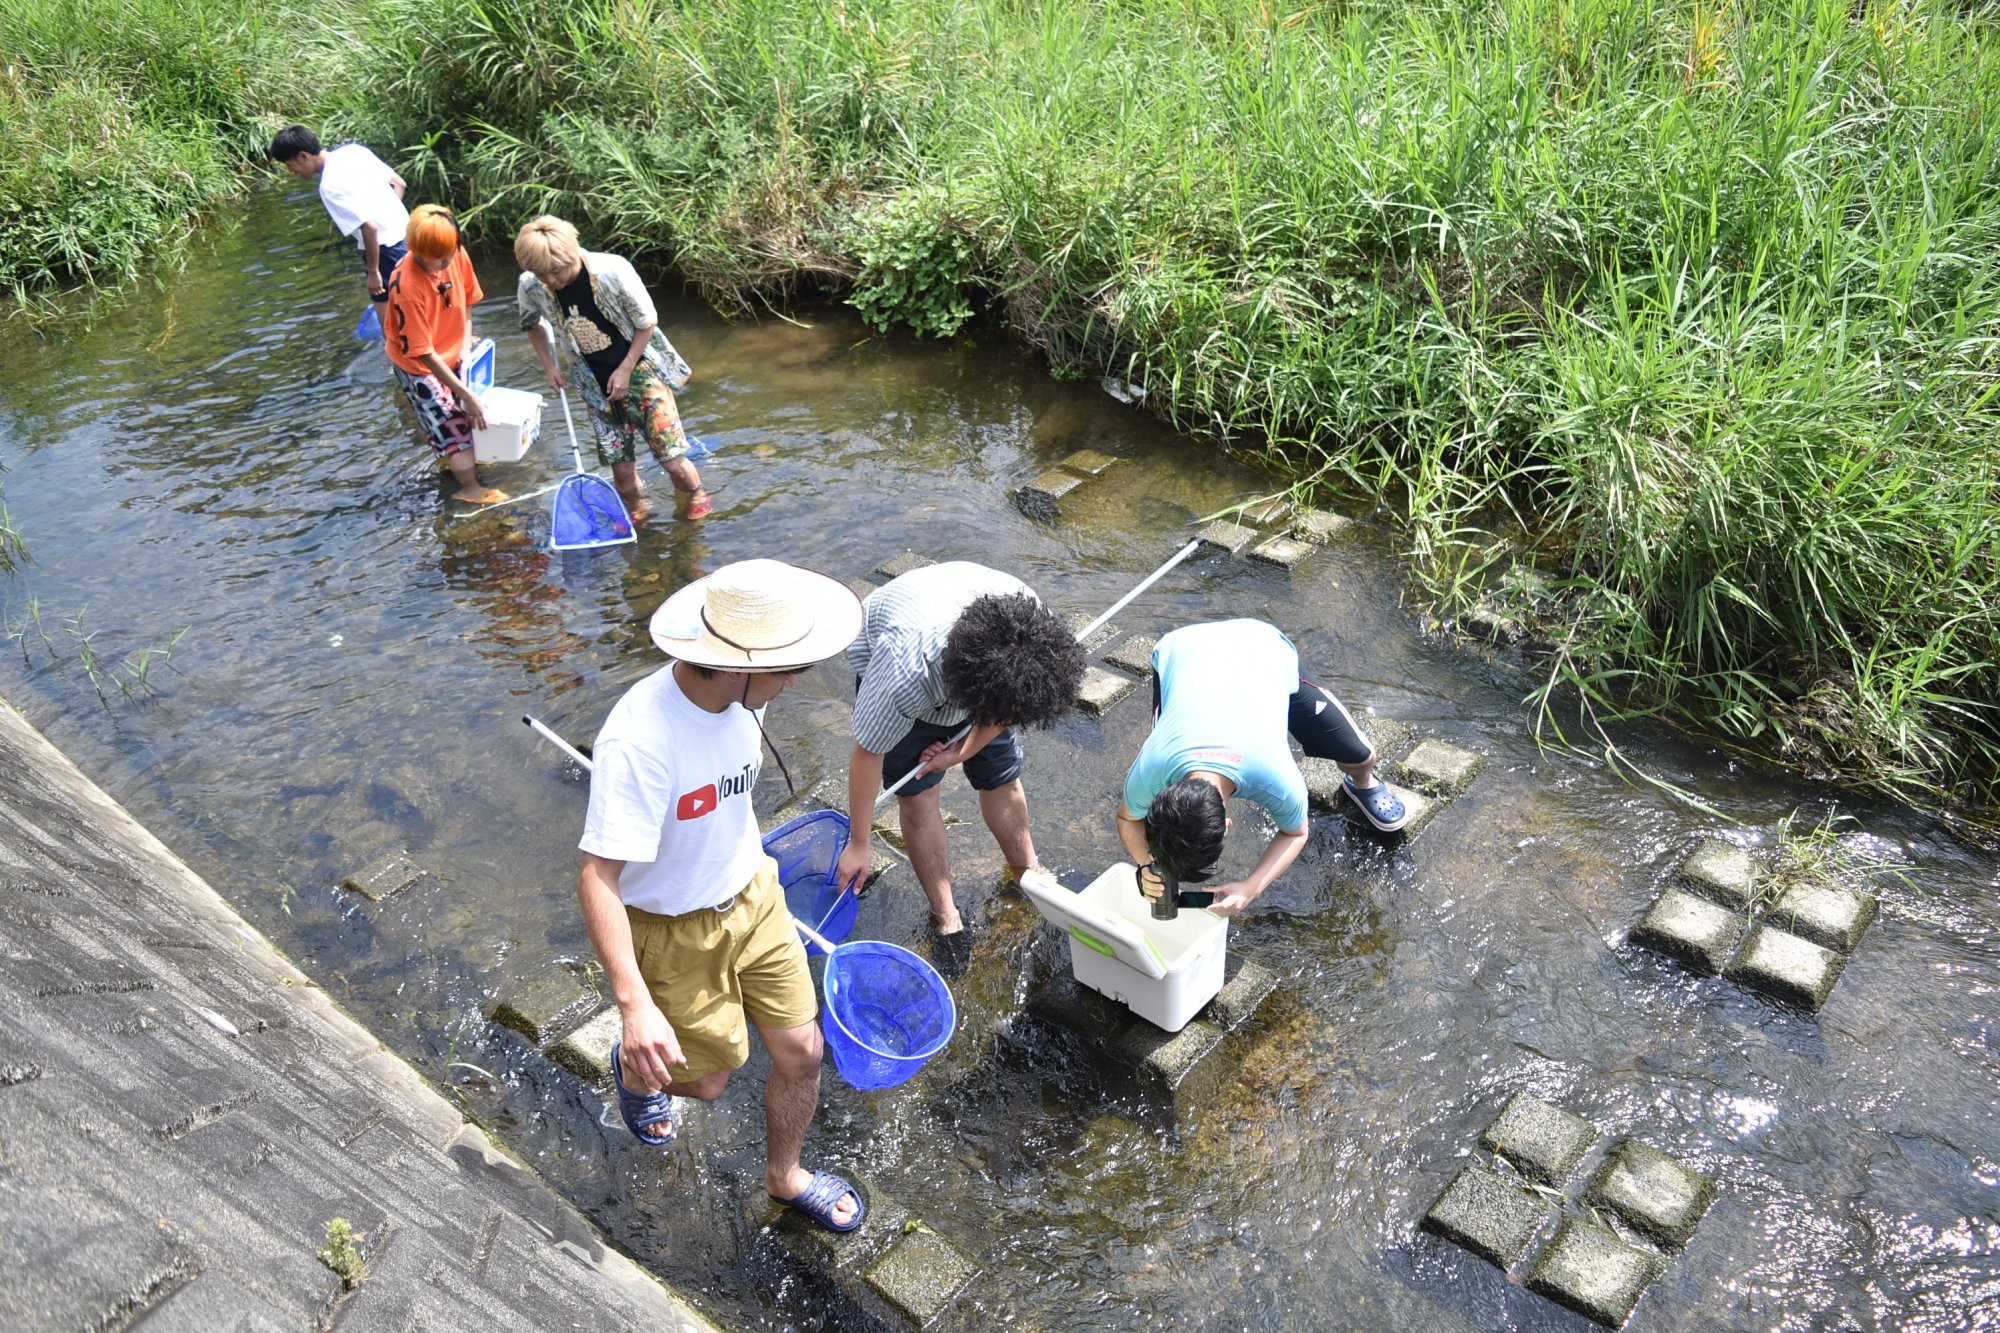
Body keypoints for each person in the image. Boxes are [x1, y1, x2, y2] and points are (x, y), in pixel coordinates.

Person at [577, 559, 867, 1233]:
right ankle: (634, 1065)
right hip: (671, 926)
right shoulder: (640, 742)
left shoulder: (748, 695)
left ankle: (785, 1174)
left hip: (754, 894)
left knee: (804, 1050)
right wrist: (634, 1006)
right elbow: (597, 876)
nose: (795, 678)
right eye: (785, 664)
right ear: (731, 662)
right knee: (708, 1080)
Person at [834, 562, 1086, 936]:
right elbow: (867, 755)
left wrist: (963, 751)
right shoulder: (904, 675)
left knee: (1002, 778)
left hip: (989, 670)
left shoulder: (1032, 644)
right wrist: (859, 842)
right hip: (909, 661)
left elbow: (1004, 712)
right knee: (919, 800)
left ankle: (1027, 872)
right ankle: (946, 915)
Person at [1117, 618, 1407, 918]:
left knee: (1361, 755)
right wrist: (1145, 864)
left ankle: (1362, 782)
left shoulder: (1275, 777)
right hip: (1182, 649)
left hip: (1260, 646)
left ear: (1227, 827)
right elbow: (1127, 819)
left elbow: (1296, 833)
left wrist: (1252, 886)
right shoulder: (1151, 766)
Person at [514, 216, 711, 520]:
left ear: (571, 253)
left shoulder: (610, 271)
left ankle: (696, 494)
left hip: (642, 370)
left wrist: (625, 369)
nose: (550, 281)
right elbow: (532, 325)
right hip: (594, 381)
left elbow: (646, 322)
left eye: (556, 271)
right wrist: (550, 366)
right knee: (620, 466)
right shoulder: (531, 285)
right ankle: (637, 508)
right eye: (541, 274)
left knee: (670, 457)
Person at [383, 204, 506, 505]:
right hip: (420, 366)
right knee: (454, 432)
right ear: (416, 249)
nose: (442, 264)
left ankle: (465, 459)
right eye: (433, 259)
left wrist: (464, 346)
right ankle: (469, 488)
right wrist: (465, 392)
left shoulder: (455, 250)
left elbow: (468, 298)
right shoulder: (406, 286)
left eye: (446, 256)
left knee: (474, 413)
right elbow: (423, 353)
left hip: (455, 352)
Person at [269, 125, 409, 304]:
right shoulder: (354, 151)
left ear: (303, 156)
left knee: (392, 327)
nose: (290, 171)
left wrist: (374, 272)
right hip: (411, 238)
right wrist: (389, 218)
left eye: (289, 164)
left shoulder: (329, 186)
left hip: (386, 254)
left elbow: (370, 227)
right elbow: (399, 184)